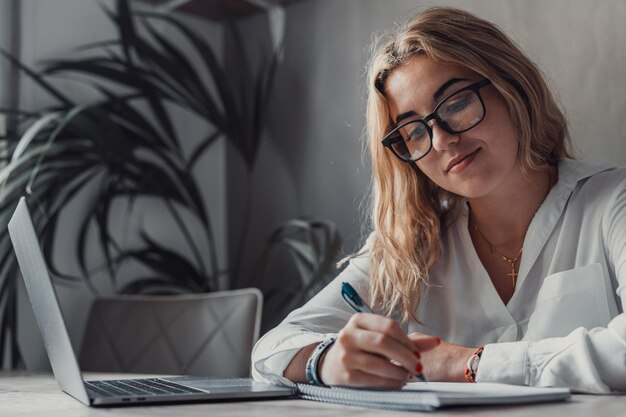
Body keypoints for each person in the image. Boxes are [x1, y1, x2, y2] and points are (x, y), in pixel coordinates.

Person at [251, 7, 626, 393]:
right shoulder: (409, 245)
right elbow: (274, 349)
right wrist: (326, 361)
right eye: (413, 131)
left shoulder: (613, 203)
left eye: (456, 104)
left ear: (512, 87)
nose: (444, 140)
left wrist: (465, 363)